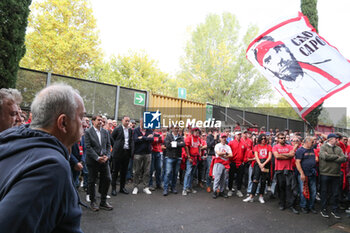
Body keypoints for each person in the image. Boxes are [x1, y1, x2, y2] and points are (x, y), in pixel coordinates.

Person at [0, 84, 84, 232]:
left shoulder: (10, 143)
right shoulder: (50, 168)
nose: (84, 123)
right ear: (63, 122)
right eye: (81, 116)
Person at [85, 114, 113, 211]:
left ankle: (103, 201)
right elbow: (88, 148)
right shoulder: (88, 132)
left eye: (101, 120)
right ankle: (93, 202)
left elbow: (109, 146)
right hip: (93, 161)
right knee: (92, 181)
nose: (100, 122)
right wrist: (97, 158)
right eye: (98, 120)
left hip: (104, 160)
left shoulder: (105, 132)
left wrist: (107, 156)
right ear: (93, 121)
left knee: (108, 178)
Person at [319, 133, 347, 219]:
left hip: (336, 174)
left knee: (335, 193)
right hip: (325, 173)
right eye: (335, 138)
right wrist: (336, 157)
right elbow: (324, 156)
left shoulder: (338, 148)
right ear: (330, 139)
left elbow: (344, 158)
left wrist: (331, 157)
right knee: (324, 192)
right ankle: (323, 209)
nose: (337, 140)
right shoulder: (323, 147)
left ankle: (334, 209)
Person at [272, 133, 299, 214]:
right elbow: (277, 156)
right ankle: (282, 203)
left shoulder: (289, 146)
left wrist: (282, 154)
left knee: (290, 188)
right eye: (281, 138)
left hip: (289, 170)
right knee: (281, 188)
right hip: (279, 170)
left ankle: (291, 205)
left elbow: (292, 155)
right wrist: (287, 155)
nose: (283, 139)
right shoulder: (275, 147)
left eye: (284, 138)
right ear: (278, 139)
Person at [243, 134, 272, 203]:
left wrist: (264, 164)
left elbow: (269, 156)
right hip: (258, 164)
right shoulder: (256, 146)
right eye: (262, 139)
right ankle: (251, 196)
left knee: (263, 180)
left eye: (265, 138)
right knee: (255, 180)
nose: (263, 140)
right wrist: (260, 164)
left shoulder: (269, 146)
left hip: (266, 164)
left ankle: (261, 196)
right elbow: (256, 156)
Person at [111, 116, 133, 196]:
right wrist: (116, 146)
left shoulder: (130, 130)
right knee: (115, 171)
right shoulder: (118, 129)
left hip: (126, 153)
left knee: (124, 171)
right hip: (118, 153)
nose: (127, 122)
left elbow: (130, 140)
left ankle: (122, 188)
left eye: (128, 121)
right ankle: (113, 189)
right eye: (126, 121)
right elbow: (111, 137)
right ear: (122, 120)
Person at [295, 136, 317, 214]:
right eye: (312, 142)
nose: (313, 143)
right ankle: (303, 206)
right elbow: (297, 163)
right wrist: (301, 173)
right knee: (303, 191)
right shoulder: (300, 151)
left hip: (312, 173)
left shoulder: (312, 150)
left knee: (313, 191)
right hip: (304, 174)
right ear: (307, 142)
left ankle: (311, 206)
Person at [132, 118, 154, 195]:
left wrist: (142, 138)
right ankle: (135, 186)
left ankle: (145, 187)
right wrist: (146, 138)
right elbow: (135, 140)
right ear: (140, 122)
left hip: (147, 153)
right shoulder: (136, 130)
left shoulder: (150, 130)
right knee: (136, 171)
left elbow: (152, 140)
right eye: (143, 121)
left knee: (147, 171)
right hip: (138, 153)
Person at [163, 125, 185, 196]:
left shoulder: (180, 136)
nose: (176, 129)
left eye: (177, 128)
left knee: (175, 174)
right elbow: (167, 145)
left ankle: (173, 187)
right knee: (168, 173)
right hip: (170, 157)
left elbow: (183, 144)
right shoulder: (168, 136)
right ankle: (166, 188)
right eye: (175, 128)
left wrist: (174, 144)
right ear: (172, 129)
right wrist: (178, 144)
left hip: (178, 157)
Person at [211, 133, 232, 199]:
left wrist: (223, 155)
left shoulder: (227, 146)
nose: (224, 139)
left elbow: (231, 155)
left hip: (225, 163)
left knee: (224, 178)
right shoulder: (217, 145)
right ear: (220, 138)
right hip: (219, 163)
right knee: (217, 178)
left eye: (225, 137)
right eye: (222, 137)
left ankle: (222, 191)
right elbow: (218, 153)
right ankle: (215, 191)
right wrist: (225, 154)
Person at [182, 127, 202, 196]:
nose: (197, 132)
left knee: (192, 174)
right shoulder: (189, 138)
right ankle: (184, 189)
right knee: (188, 173)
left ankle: (189, 187)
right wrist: (188, 157)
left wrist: (199, 153)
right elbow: (186, 147)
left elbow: (199, 146)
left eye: (197, 131)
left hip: (195, 158)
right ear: (193, 132)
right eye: (195, 131)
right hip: (190, 158)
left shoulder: (198, 138)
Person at [228, 131, 246, 197]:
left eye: (240, 135)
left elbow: (245, 153)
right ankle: (230, 189)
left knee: (240, 177)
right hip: (232, 163)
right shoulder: (231, 143)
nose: (239, 136)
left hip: (240, 163)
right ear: (235, 136)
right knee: (231, 177)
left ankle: (239, 190)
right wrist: (229, 161)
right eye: (238, 135)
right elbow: (228, 152)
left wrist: (244, 161)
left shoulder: (243, 143)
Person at [205, 128, 220, 192]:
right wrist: (214, 138)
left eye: (217, 131)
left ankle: (217, 186)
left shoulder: (219, 137)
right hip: (210, 155)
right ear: (212, 132)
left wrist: (217, 138)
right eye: (215, 131)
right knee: (209, 170)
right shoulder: (209, 137)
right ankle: (208, 185)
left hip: (218, 156)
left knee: (217, 171)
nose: (216, 133)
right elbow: (209, 145)